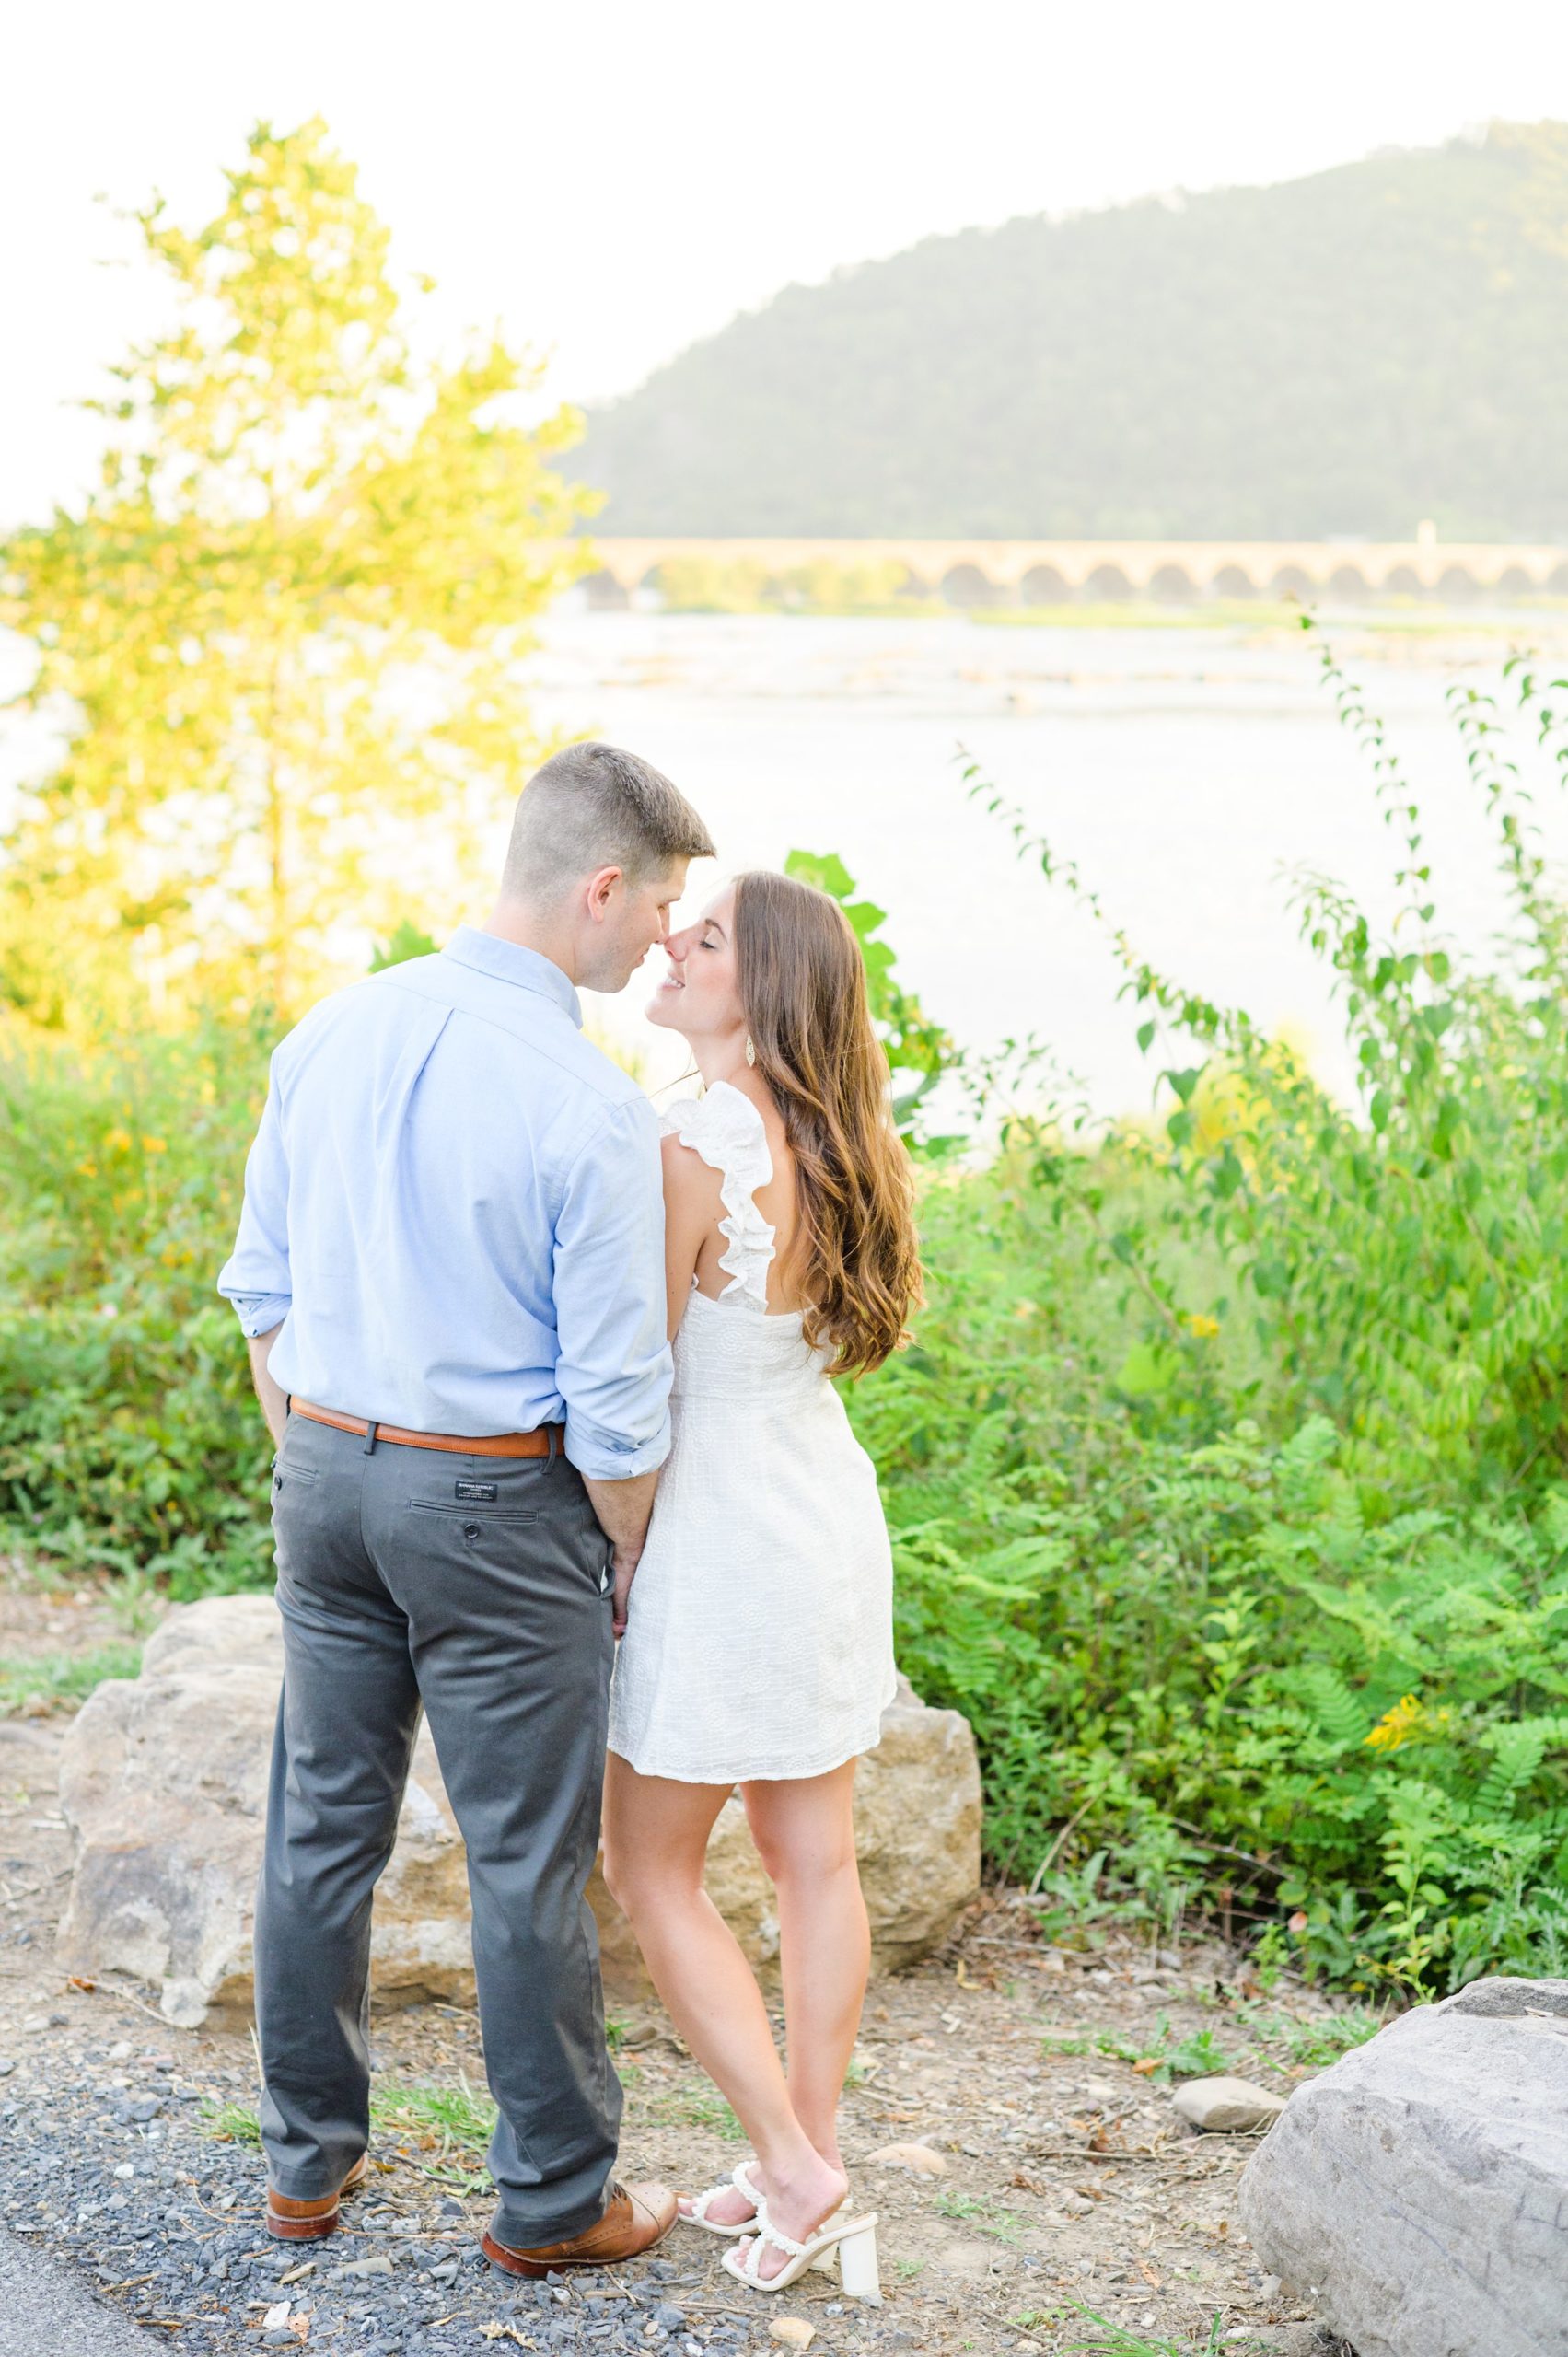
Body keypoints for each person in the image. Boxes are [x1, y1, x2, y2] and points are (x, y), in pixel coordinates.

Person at [216, 741, 714, 2276]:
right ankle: (555, 2204)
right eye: (661, 909)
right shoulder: (588, 1102)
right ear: (602, 886)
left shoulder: (334, 1028)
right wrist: (616, 1550)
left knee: (320, 1828)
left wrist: (320, 1454)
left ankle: (305, 2170)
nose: (658, 946)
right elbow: (620, 1398)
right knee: (524, 1862)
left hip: (327, 1470)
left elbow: (262, 1288)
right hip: (499, 1501)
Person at [601, 869, 923, 2299]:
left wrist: (610, 1553)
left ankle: (793, 2169)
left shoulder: (688, 1142)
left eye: (708, 935)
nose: (671, 940)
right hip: (821, 1514)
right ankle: (813, 2151)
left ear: (764, 989)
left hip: (718, 1530)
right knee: (814, 1864)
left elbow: (633, 1383)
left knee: (649, 1867)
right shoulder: (839, 1139)